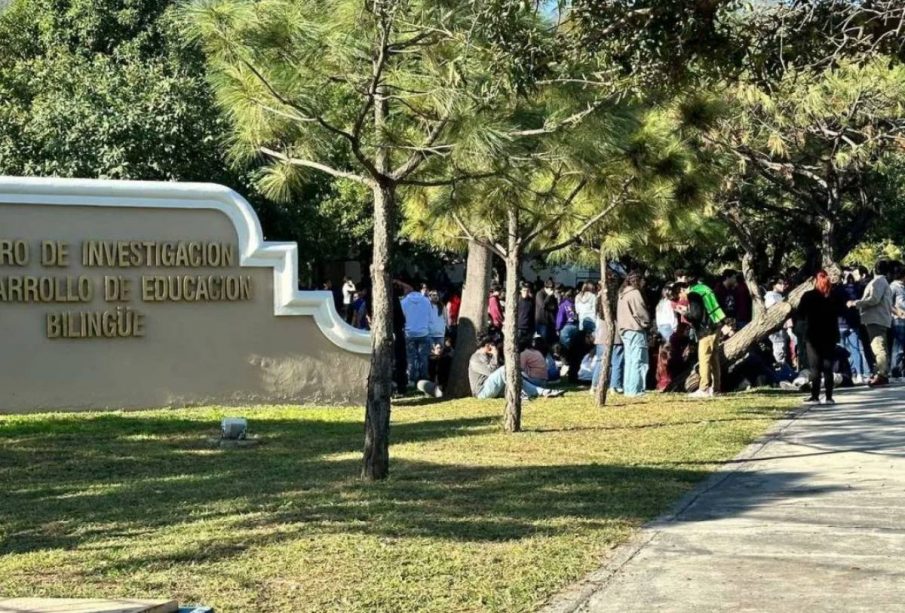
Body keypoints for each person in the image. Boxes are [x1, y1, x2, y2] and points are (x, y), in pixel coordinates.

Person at [679, 278, 733, 398]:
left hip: (706, 330)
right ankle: (716, 388)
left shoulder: (693, 294)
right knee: (714, 359)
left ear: (684, 289)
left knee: (704, 359)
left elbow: (696, 315)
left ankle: (704, 388)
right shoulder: (705, 288)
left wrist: (685, 313)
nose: (680, 297)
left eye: (679, 293)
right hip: (716, 325)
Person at [798, 271, 844, 404]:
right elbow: (840, 312)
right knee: (828, 366)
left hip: (813, 335)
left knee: (815, 367)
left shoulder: (808, 296)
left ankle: (815, 395)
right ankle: (829, 396)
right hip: (830, 335)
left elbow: (800, 314)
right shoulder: (833, 296)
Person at [468, 334, 563, 399]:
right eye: (492, 344)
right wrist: (496, 355)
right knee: (505, 369)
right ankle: (520, 393)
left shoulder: (489, 356)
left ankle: (544, 392)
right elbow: (492, 372)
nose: (494, 347)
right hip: (482, 391)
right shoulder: (475, 359)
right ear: (487, 345)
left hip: (495, 387)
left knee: (515, 376)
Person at [849, 260, 893, 386]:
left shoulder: (878, 281)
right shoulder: (884, 282)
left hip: (876, 318)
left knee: (878, 347)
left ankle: (882, 374)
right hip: (878, 318)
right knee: (880, 347)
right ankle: (880, 372)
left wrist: (856, 303)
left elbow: (874, 299)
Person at [616, 272, 650, 397]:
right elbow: (641, 313)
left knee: (630, 360)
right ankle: (636, 390)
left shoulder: (622, 294)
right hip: (635, 329)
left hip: (624, 329)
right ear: (638, 281)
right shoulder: (634, 293)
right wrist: (647, 323)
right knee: (638, 360)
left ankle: (629, 389)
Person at [400, 282, 433, 384]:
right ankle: (424, 377)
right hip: (423, 331)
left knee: (411, 357)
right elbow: (429, 315)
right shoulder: (426, 301)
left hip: (409, 332)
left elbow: (402, 317)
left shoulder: (404, 302)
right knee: (423, 356)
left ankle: (412, 378)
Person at [764, 277, 788, 365]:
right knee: (779, 352)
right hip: (776, 331)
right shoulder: (770, 296)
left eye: (784, 283)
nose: (783, 286)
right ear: (774, 285)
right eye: (780, 283)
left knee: (783, 351)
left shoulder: (779, 295)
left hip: (782, 330)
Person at [890, 264, 905, 378]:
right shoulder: (893, 287)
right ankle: (895, 371)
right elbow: (888, 304)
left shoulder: (903, 286)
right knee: (898, 348)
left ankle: (900, 370)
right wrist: (897, 312)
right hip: (898, 320)